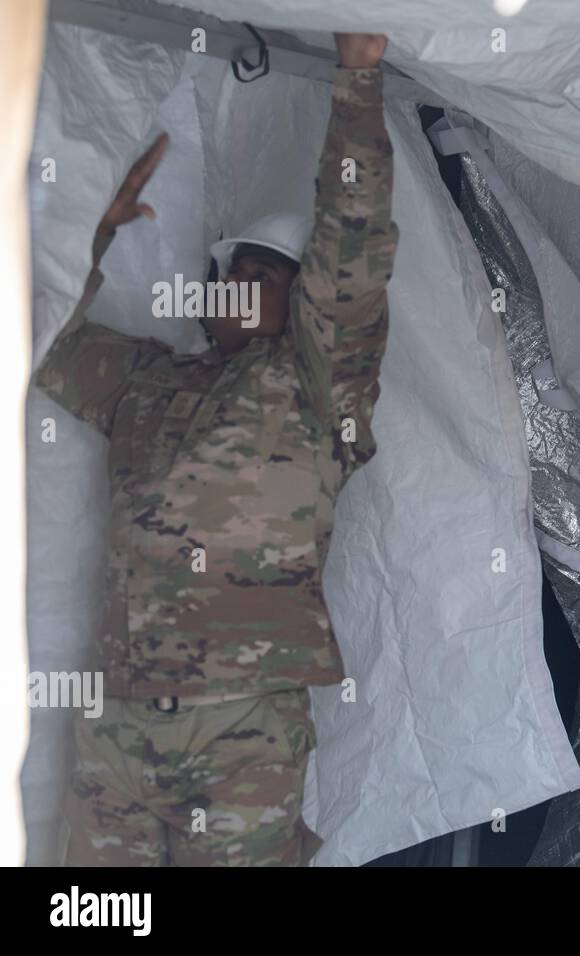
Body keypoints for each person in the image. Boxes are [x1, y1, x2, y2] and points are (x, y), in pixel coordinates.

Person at [35, 32, 398, 866]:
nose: (242, 281)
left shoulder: (317, 386)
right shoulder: (146, 381)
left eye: (269, 273)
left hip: (239, 728)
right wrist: (86, 236)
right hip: (117, 719)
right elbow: (40, 343)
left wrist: (359, 87)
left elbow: (353, 253)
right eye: (234, 268)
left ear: (303, 299)